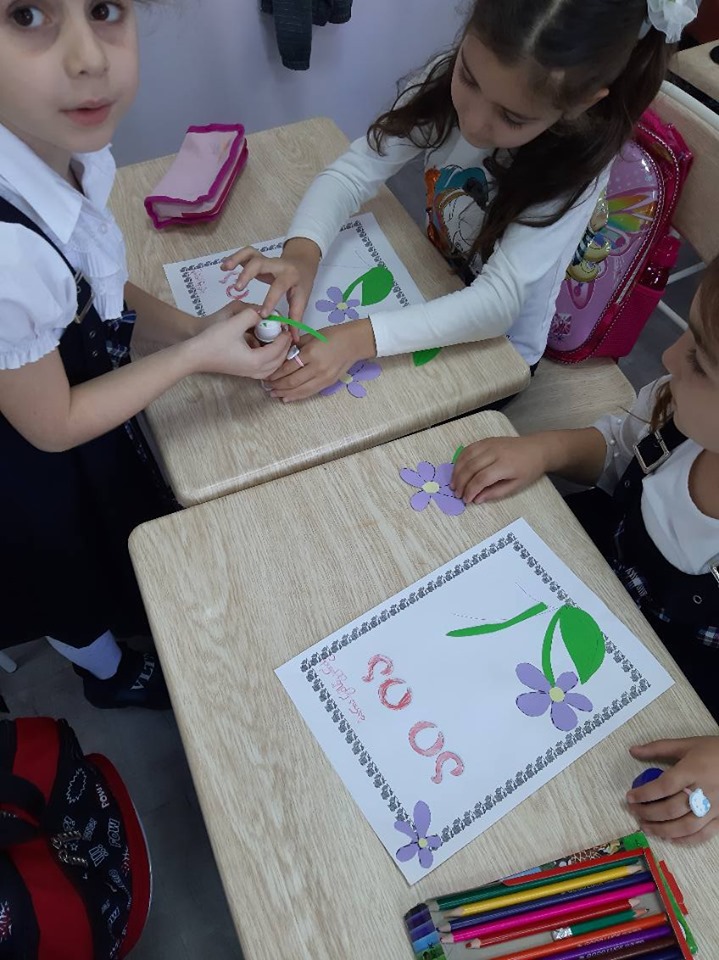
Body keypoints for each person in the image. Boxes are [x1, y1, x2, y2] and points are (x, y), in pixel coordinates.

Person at [0, 0, 290, 709]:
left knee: (101, 527)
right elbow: (52, 425)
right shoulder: (4, 254)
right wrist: (194, 358)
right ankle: (107, 675)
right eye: (26, 16)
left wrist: (192, 331)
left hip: (63, 397)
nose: (89, 58)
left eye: (104, 10)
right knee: (58, 565)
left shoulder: (64, 149)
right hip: (27, 444)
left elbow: (88, 284)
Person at [221, 0, 682, 401]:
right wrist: (303, 252)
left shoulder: (573, 166)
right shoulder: (450, 79)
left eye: (512, 117)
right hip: (430, 283)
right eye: (469, 78)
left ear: (580, 104)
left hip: (497, 355)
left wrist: (359, 339)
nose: (474, 123)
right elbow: (355, 171)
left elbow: (497, 305)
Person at [451, 254, 719, 844]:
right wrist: (546, 450)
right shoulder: (676, 410)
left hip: (662, 702)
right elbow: (621, 449)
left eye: (699, 360)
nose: (668, 356)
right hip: (580, 586)